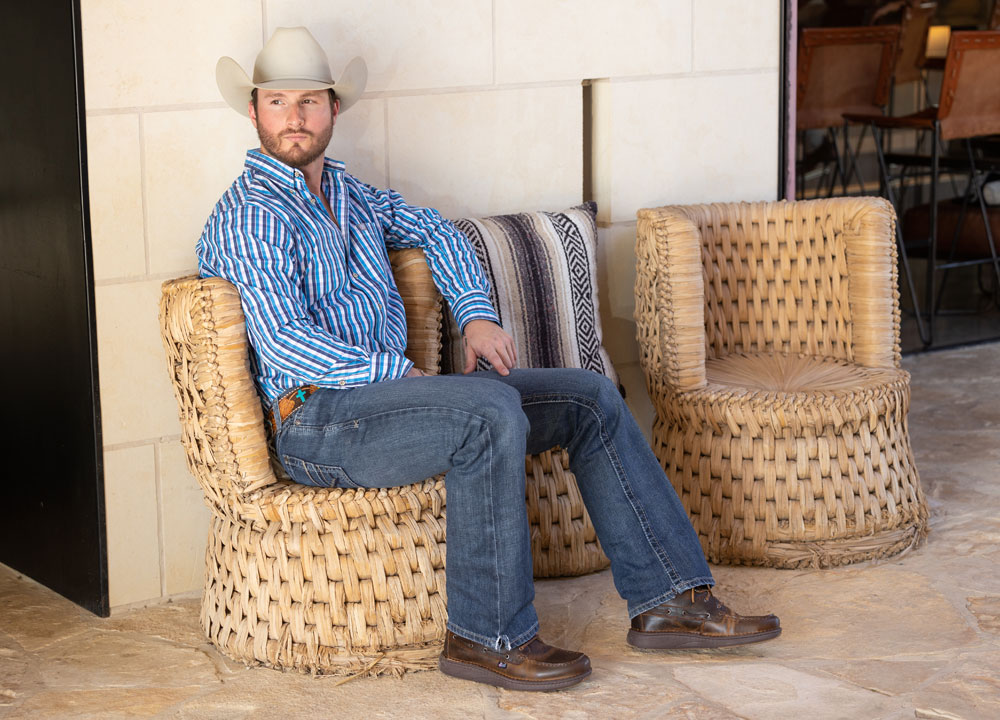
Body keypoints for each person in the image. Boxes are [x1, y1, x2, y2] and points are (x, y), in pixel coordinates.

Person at [199, 27, 781, 692]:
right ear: (254, 112)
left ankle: (671, 601)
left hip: (388, 405)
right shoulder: (251, 214)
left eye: (309, 101)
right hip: (318, 421)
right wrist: (402, 375)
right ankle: (488, 638)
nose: (294, 118)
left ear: (334, 109)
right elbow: (285, 345)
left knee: (588, 396)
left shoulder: (353, 196)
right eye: (278, 102)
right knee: (485, 410)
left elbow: (436, 231)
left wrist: (475, 314)